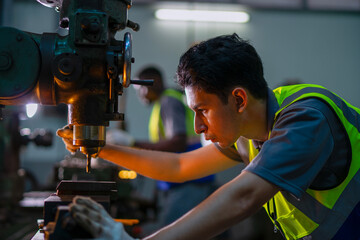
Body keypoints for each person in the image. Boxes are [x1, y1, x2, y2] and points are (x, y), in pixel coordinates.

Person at [58, 33, 360, 240]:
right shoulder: (247, 132)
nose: (198, 126)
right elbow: (179, 168)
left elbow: (243, 198)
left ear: (239, 100)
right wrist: (100, 148)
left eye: (202, 110)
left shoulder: (306, 120)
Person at [107, 66, 215, 231]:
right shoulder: (164, 103)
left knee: (175, 233)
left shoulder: (168, 102)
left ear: (154, 82)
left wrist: (132, 143)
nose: (140, 95)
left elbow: (178, 142)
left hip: (188, 181)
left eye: (141, 89)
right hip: (179, 180)